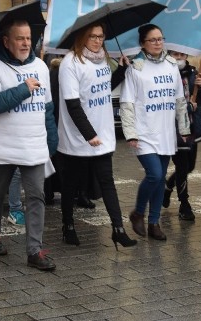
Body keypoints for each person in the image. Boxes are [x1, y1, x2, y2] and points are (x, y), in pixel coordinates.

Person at [0, 20, 58, 271]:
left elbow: (46, 107)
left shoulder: (41, 67)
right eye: (19, 38)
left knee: (36, 197)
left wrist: (51, 138)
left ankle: (35, 250)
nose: (25, 43)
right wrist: (23, 89)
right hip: (2, 146)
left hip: (33, 145)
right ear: (6, 41)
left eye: (28, 38)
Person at [56, 23, 136, 249]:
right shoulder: (71, 63)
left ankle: (118, 229)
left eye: (101, 37)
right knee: (71, 183)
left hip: (102, 133)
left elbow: (103, 88)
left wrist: (120, 70)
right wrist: (88, 134)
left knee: (107, 182)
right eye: (92, 36)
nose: (97, 41)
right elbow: (72, 104)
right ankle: (68, 224)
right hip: (78, 136)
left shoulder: (102, 59)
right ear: (82, 37)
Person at [122, 24, 190, 242]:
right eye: (153, 40)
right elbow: (127, 103)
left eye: (161, 38)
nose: (158, 43)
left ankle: (154, 223)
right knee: (155, 175)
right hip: (144, 132)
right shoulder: (136, 68)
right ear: (143, 43)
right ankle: (138, 213)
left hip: (165, 132)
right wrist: (130, 133)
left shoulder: (172, 66)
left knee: (160, 181)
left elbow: (180, 100)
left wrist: (184, 127)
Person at [162, 50, 201, 221]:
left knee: (190, 167)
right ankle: (184, 204)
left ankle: (168, 186)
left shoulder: (194, 74)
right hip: (174, 128)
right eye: (175, 55)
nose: (179, 58)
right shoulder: (166, 75)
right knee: (182, 165)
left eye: (182, 55)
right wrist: (187, 106)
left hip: (192, 128)